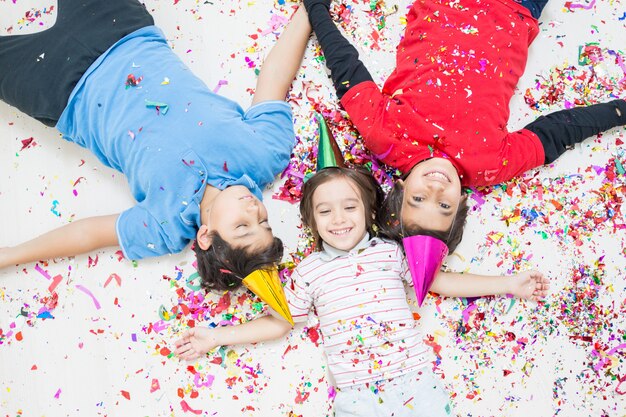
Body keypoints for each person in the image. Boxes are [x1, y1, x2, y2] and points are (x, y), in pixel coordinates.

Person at [175, 167, 549, 416]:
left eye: (349, 207)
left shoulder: (392, 252)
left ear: (369, 212)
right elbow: (280, 322)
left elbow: (439, 281)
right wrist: (215, 337)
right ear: (310, 221)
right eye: (325, 212)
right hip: (358, 394)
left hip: (416, 380)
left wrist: (508, 284)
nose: (338, 219)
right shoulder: (308, 272)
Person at [0, 1, 312, 284]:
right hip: (120, 31)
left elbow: (87, 234)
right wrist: (312, 10)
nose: (254, 208)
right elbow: (274, 76)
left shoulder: (165, 227)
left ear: (205, 236)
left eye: (243, 226)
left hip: (59, 89)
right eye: (264, 221)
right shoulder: (265, 155)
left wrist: (11, 254)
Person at [302, 0, 626, 252]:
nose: (435, 190)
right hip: (516, 8)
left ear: (400, 189)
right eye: (443, 206)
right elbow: (557, 131)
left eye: (418, 199)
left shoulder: (385, 137)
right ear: (459, 204)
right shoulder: (489, 167)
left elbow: (345, 67)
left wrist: (316, 8)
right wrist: (620, 111)